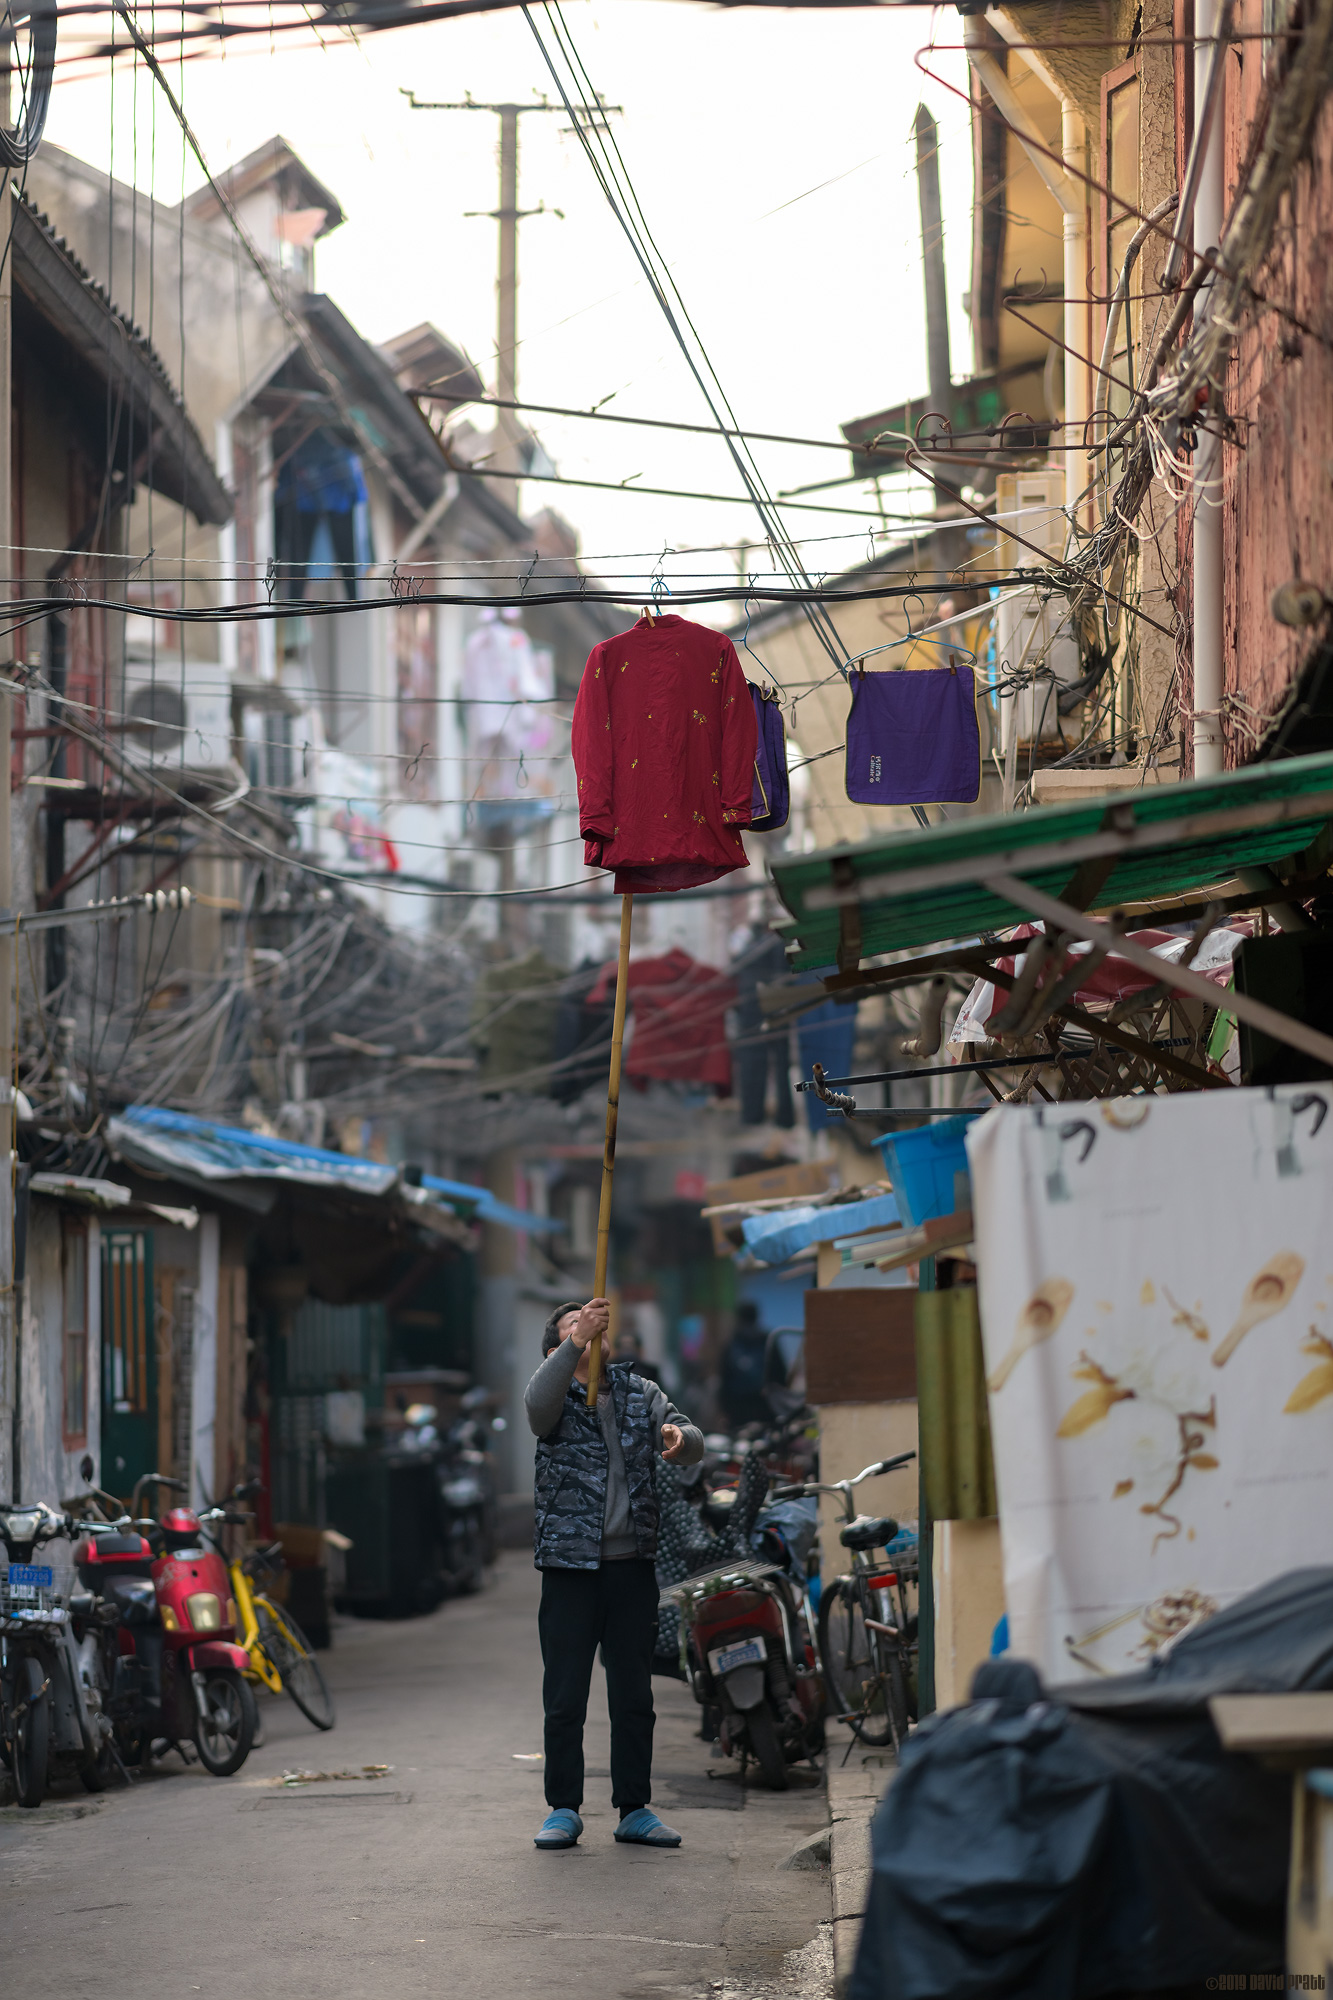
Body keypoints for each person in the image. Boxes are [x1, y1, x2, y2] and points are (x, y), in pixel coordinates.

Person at [525, 1296, 704, 1851]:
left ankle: (635, 1807)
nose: (589, 1332)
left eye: (594, 1325)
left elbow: (688, 1436)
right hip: (568, 1570)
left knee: (633, 1695)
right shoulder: (552, 1394)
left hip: (631, 1568)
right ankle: (563, 1808)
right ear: (556, 1348)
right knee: (565, 1697)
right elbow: (536, 1409)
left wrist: (681, 1441)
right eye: (573, 1329)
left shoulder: (638, 1391)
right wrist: (575, 1343)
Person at [718, 1300, 772, 1430]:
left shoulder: (732, 1342)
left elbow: (724, 1378)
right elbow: (780, 1375)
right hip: (764, 1406)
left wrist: (724, 1409)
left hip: (738, 1408)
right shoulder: (768, 1340)